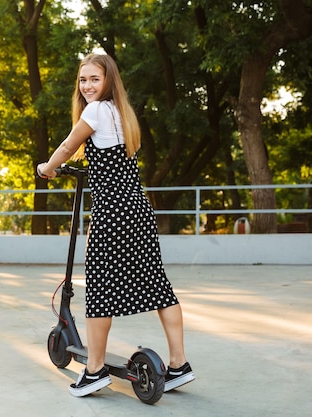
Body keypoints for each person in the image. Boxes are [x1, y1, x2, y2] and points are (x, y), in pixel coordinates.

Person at [37, 53, 195, 397]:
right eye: (83, 80)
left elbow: (67, 146)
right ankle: (179, 364)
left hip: (113, 211)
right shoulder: (122, 114)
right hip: (137, 209)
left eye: (95, 79)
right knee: (157, 285)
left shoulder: (94, 111)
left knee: (99, 289)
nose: (88, 85)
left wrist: (47, 168)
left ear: (109, 81)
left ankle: (94, 371)